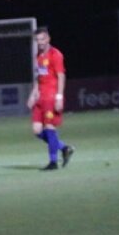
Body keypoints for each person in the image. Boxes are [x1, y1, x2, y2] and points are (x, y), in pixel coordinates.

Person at [27, 27, 75, 171]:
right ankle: (64, 148)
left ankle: (53, 162)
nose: (40, 42)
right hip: (40, 97)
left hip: (52, 96)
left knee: (49, 128)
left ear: (48, 39)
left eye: (42, 39)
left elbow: (61, 76)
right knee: (37, 131)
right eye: (37, 40)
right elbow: (39, 77)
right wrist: (33, 93)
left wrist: (59, 97)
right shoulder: (38, 56)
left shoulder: (56, 54)